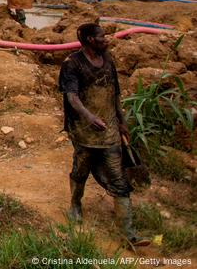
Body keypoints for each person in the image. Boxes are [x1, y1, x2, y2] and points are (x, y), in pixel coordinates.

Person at [59, 23, 149, 246]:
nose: (107, 39)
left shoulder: (108, 59)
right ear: (90, 40)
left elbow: (115, 92)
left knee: (119, 179)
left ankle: (128, 234)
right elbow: (72, 97)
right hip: (83, 131)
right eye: (102, 36)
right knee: (80, 170)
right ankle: (75, 205)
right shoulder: (72, 64)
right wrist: (90, 117)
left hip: (109, 132)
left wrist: (122, 121)